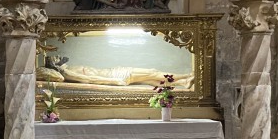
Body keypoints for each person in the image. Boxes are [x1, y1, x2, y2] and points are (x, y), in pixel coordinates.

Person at [46, 56, 192, 87]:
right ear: (54, 64)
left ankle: (183, 83)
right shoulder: (67, 73)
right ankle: (186, 75)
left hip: (114, 72)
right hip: (117, 75)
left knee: (150, 80)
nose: (58, 55)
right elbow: (91, 80)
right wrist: (114, 81)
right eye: (54, 58)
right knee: (153, 73)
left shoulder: (68, 69)